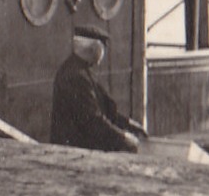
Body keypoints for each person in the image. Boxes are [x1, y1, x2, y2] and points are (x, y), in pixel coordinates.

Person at [50, 22, 145, 152]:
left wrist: (129, 124)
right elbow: (92, 120)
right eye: (103, 48)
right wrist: (123, 137)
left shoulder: (81, 70)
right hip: (73, 150)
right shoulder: (77, 76)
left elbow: (106, 109)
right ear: (95, 49)